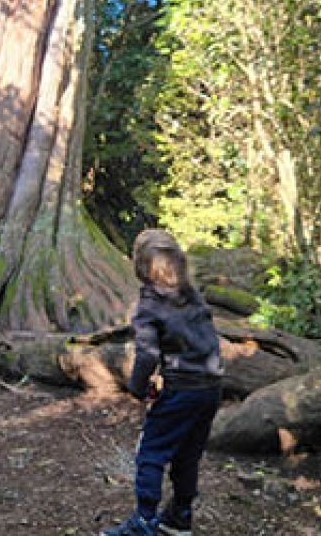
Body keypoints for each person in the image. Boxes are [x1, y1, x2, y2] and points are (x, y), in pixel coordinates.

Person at [100, 229, 223, 536]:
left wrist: (137, 388)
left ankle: (144, 520)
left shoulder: (149, 306)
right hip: (211, 386)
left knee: (151, 453)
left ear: (140, 267)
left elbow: (146, 355)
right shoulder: (192, 296)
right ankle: (180, 515)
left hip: (182, 388)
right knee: (188, 454)